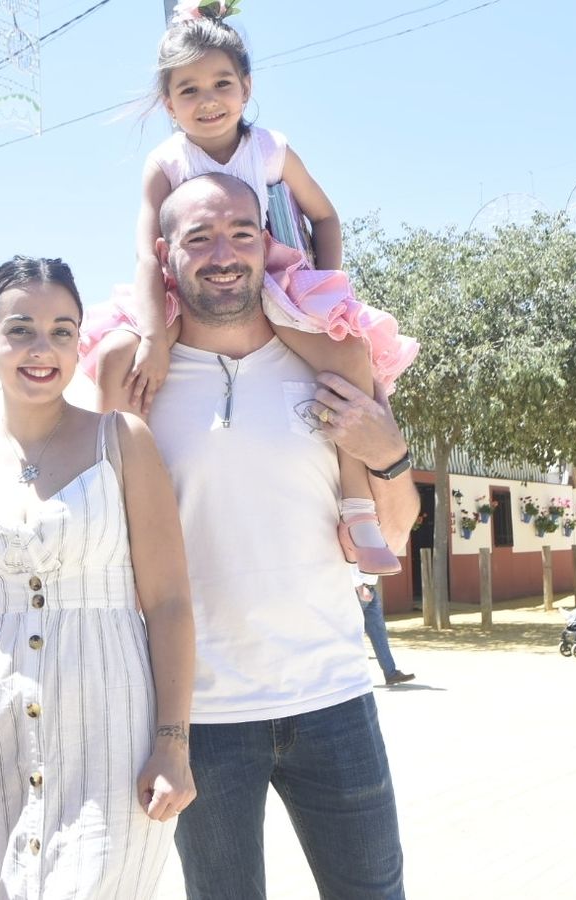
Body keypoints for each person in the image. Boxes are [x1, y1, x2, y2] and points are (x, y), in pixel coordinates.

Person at [146, 173, 419, 899]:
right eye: (198, 237)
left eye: (241, 231)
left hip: (334, 699)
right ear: (164, 252)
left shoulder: (327, 361)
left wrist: (387, 448)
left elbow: (392, 532)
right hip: (201, 720)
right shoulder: (140, 387)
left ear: (268, 245)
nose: (223, 252)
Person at [77, 2, 417, 577]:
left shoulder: (271, 149)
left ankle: (359, 508)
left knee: (349, 358)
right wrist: (156, 338)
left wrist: (325, 289)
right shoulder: (166, 162)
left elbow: (326, 217)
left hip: (277, 280)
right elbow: (145, 252)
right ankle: (111, 507)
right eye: (188, 90)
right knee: (120, 360)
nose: (207, 100)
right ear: (168, 103)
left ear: (247, 87)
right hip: (182, 288)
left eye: (221, 84)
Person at [0, 256, 198, 898]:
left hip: (112, 742)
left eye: (62, 331)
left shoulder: (122, 440)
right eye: (21, 330)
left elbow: (171, 601)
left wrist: (173, 743)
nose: (42, 349)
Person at [356, 574, 414, 686]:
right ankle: (352, 677)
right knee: (352, 636)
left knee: (379, 634)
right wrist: (360, 588)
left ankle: (391, 674)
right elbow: (352, 564)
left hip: (369, 589)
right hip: (358, 591)